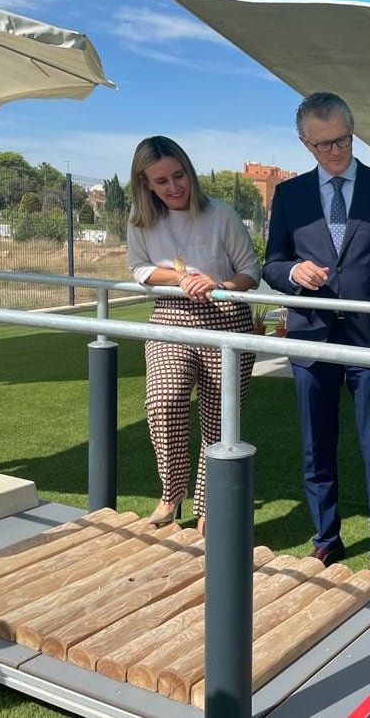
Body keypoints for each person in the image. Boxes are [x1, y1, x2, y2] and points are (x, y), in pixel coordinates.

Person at [262, 91, 370, 584]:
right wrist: (294, 272)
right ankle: (325, 539)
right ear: (304, 143)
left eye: (343, 140)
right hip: (311, 339)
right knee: (317, 446)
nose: (336, 151)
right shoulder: (289, 197)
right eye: (324, 143)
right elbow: (270, 264)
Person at [127, 135, 260, 534]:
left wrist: (217, 284)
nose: (173, 187)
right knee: (163, 402)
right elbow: (140, 269)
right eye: (161, 181)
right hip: (170, 317)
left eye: (179, 175)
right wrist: (184, 276)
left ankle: (208, 507)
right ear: (145, 184)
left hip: (226, 318)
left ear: (190, 172)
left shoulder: (220, 213)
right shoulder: (140, 219)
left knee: (219, 421)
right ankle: (172, 492)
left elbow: (250, 272)